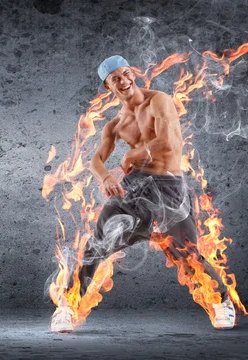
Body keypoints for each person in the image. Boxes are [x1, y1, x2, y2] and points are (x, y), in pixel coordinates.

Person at [50, 55, 235, 333]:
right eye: (115, 79)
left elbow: (169, 141)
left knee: (188, 254)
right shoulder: (115, 125)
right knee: (95, 247)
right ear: (107, 86)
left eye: (125, 74)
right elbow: (95, 160)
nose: (123, 81)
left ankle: (222, 302)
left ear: (132, 74)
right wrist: (107, 176)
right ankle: (65, 306)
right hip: (135, 188)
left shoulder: (158, 100)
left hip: (168, 186)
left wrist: (136, 152)